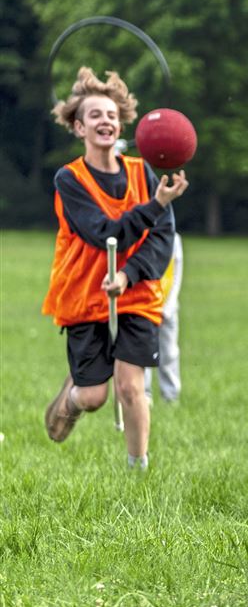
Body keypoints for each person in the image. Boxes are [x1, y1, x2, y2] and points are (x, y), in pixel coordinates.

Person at [42, 67, 189, 470]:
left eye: (110, 114)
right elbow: (104, 234)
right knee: (94, 397)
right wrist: (156, 204)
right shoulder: (69, 179)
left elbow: (162, 240)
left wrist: (128, 275)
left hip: (136, 292)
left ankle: (137, 470)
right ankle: (71, 397)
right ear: (78, 127)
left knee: (131, 386)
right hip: (83, 292)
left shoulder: (145, 172)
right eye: (94, 115)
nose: (104, 121)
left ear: (121, 122)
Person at [145, 231, 183, 404]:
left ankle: (170, 395)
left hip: (168, 308)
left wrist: (168, 306)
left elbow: (177, 274)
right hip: (144, 307)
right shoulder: (142, 236)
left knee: (169, 353)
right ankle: (144, 396)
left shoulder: (174, 239)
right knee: (142, 355)